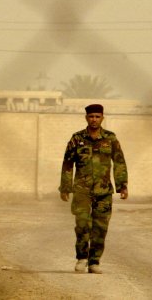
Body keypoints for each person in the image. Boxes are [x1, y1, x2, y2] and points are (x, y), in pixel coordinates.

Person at [58, 103, 128, 274]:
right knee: (82, 225)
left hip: (103, 191)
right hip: (82, 190)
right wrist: (65, 188)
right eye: (91, 116)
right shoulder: (77, 138)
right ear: (86, 118)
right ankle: (82, 258)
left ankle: (94, 261)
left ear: (102, 118)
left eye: (97, 116)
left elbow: (119, 162)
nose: (94, 119)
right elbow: (68, 164)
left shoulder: (110, 138)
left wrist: (122, 186)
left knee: (100, 227)